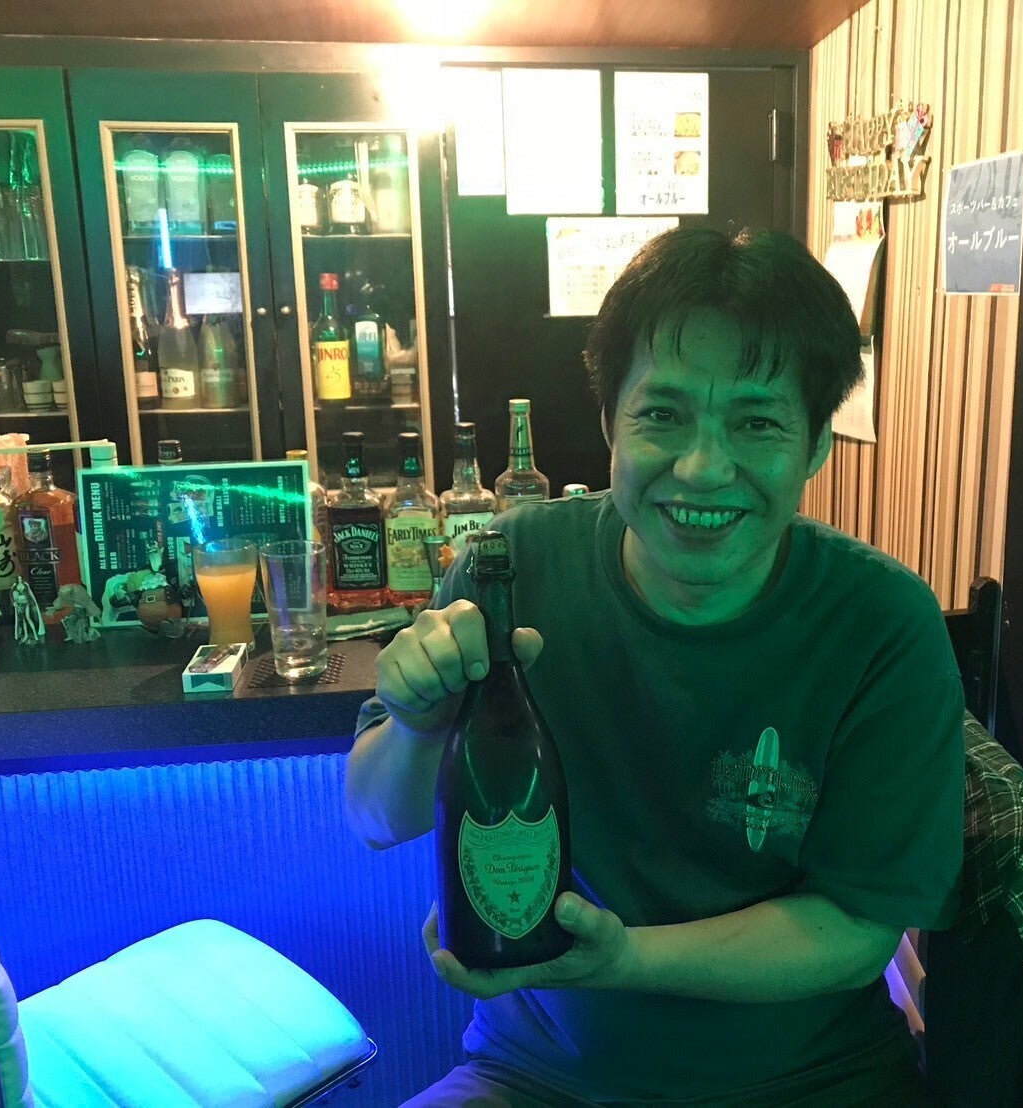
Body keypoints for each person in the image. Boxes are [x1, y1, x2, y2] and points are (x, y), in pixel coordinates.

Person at [346, 226, 964, 1106]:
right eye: (662, 415)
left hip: (809, 1085)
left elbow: (857, 929)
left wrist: (623, 960)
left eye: (756, 422)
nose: (702, 468)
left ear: (817, 445)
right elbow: (375, 817)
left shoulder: (879, 623)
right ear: (609, 424)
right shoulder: (510, 569)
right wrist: (417, 725)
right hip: (534, 1080)